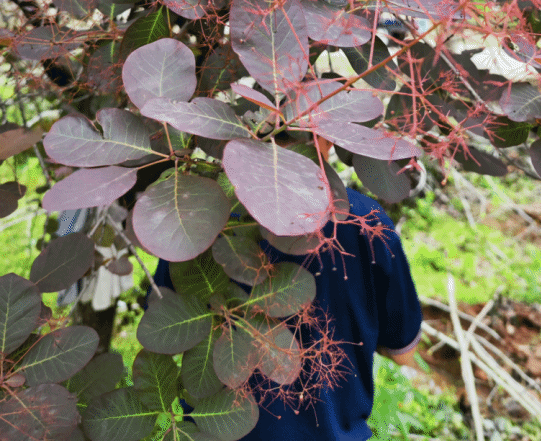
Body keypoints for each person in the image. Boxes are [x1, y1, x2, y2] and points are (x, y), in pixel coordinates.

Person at [153, 135, 423, 440]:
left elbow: (164, 325)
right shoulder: (367, 224)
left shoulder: (205, 215)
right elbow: (402, 352)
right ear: (328, 136)